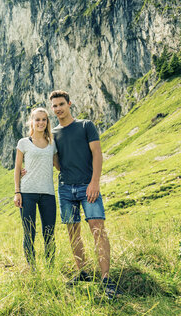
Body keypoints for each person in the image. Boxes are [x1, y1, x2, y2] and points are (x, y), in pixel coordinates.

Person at [49, 90, 121, 298]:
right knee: (73, 233)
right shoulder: (53, 133)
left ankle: (106, 278)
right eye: (54, 106)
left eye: (61, 104)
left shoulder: (85, 125)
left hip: (87, 186)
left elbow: (97, 154)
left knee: (98, 230)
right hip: (65, 189)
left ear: (70, 104)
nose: (58, 109)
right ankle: (83, 273)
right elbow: (56, 163)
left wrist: (94, 183)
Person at [14, 107, 60, 268]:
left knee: (49, 233)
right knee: (29, 233)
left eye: (44, 119)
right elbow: (17, 168)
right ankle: (31, 267)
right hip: (27, 193)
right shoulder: (23, 143)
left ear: (47, 122)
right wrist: (17, 192)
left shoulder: (52, 144)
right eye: (37, 119)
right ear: (32, 122)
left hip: (48, 193)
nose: (41, 122)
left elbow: (59, 165)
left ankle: (50, 268)